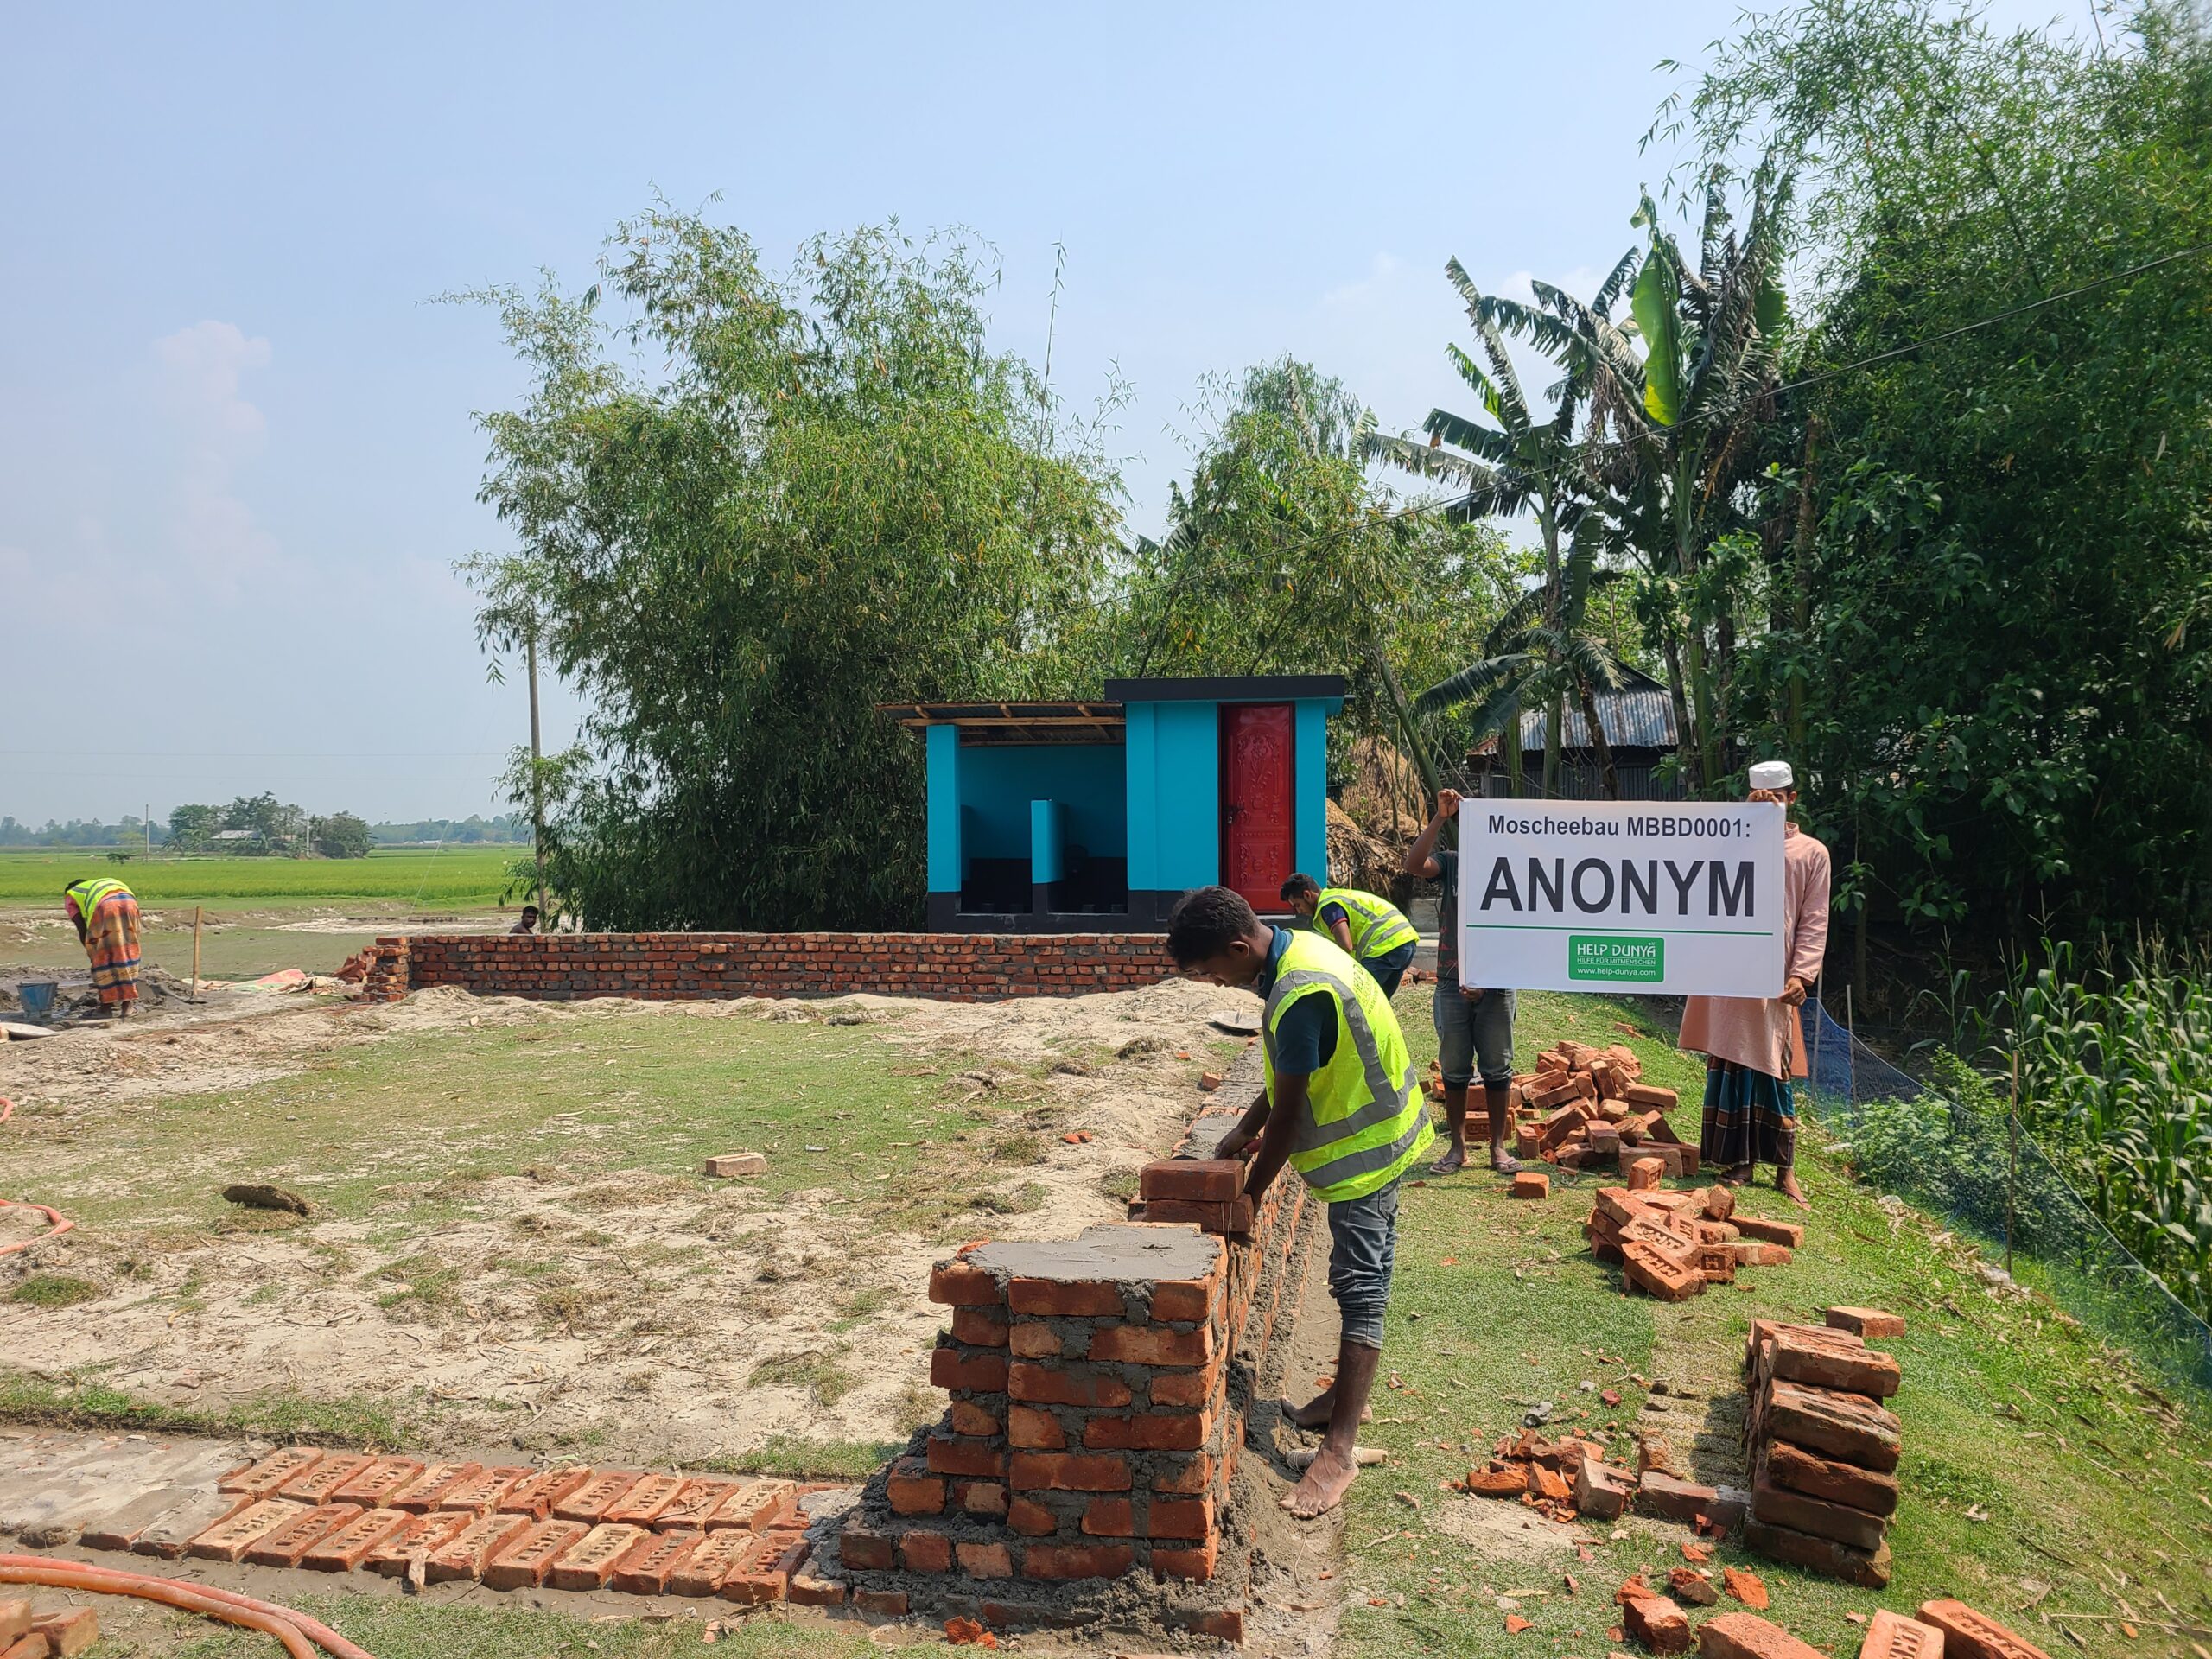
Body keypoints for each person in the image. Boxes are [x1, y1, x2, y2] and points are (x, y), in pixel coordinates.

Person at [1166, 885, 1432, 1519]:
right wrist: (1240, 1130)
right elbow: (1293, 1070)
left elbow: (1288, 1116)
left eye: (1212, 972)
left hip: (1367, 1155)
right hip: (1384, 1131)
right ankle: (1341, 1398)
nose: (1217, 983)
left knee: (1362, 1288)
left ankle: (1338, 1452)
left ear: (1238, 948)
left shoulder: (1298, 993)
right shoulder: (1301, 949)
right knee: (1362, 1280)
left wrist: (1249, 1197)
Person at [1678, 760, 1831, 1209]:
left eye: (1777, 800)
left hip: (1775, 978)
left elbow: (1814, 919)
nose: (1769, 807)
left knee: (1773, 1067)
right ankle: (1740, 1163)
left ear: (1792, 799)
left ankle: (1785, 1170)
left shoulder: (1811, 853)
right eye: (1760, 801)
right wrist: (1743, 825)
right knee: (1730, 1060)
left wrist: (1801, 974)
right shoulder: (1728, 842)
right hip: (1728, 974)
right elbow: (1699, 880)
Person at [1404, 788, 1519, 1175]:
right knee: (1454, 1067)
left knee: (1497, 1066)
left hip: (1498, 983)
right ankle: (1457, 1148)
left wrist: (1486, 979)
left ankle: (1498, 1147)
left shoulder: (1514, 864)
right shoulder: (1453, 863)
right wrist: (1440, 816)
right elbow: (1413, 864)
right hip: (1452, 980)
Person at [1277, 873, 1419, 997]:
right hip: (1405, 940)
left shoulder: (1328, 906)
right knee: (1378, 1003)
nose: (1298, 911)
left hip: (1385, 945)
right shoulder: (1335, 897)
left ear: (1307, 895)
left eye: (1297, 905)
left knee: (1358, 997)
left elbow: (1345, 946)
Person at [63, 875, 142, 1020]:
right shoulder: (96, 887)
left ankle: (106, 1007)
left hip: (106, 907)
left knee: (102, 959)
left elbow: (81, 928)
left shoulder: (71, 895)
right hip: (129, 903)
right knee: (127, 952)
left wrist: (92, 953)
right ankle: (128, 1007)